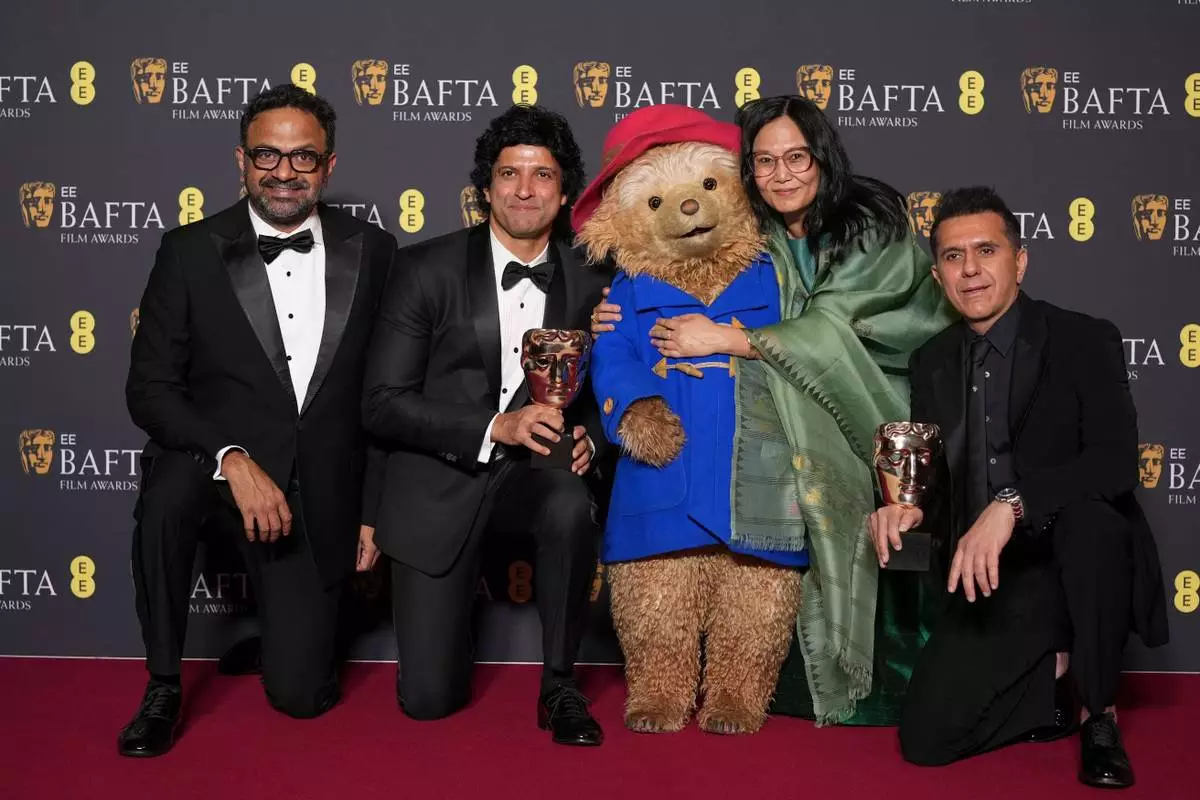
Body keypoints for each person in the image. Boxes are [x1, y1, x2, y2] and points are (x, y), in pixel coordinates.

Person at [590, 94, 955, 724]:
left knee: (770, 579)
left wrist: (726, 339)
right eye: (764, 161)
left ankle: (789, 686)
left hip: (819, 438)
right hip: (719, 451)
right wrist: (626, 376)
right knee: (671, 586)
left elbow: (831, 330)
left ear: (822, 159)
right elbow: (619, 349)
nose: (781, 173)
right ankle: (685, 687)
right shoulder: (749, 250)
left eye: (797, 157)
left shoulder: (839, 241)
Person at [120, 84, 394, 757]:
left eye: (303, 157)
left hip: (315, 485)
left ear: (329, 166)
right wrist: (231, 458)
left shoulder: (376, 250)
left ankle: (280, 637)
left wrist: (373, 509)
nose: (284, 172)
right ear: (241, 160)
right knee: (166, 495)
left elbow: (387, 394)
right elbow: (150, 389)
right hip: (214, 467)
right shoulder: (188, 251)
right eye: (267, 154)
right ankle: (162, 683)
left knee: (302, 698)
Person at [869, 186, 1168, 788]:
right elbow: (937, 484)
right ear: (938, 275)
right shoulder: (932, 360)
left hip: (1075, 555)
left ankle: (1098, 714)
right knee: (926, 739)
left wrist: (1014, 504)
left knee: (1093, 524)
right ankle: (1052, 678)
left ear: (1020, 261)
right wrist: (905, 510)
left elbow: (1114, 464)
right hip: (997, 575)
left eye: (987, 250)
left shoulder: (1083, 338)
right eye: (953, 256)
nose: (971, 269)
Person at [361, 105, 612, 746]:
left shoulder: (594, 277)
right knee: (429, 701)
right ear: (485, 186)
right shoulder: (424, 269)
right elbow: (382, 402)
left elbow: (613, 384)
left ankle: (560, 685)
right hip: (439, 478)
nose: (525, 189)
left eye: (542, 174)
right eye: (509, 173)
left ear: (565, 192)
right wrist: (496, 425)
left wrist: (592, 434)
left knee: (568, 500)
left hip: (538, 473)